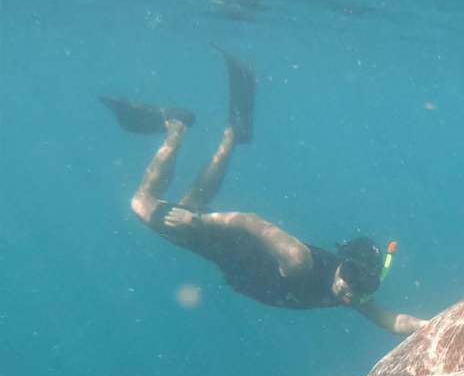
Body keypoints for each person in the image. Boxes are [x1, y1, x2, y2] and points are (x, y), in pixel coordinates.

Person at [102, 47, 428, 335]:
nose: (353, 292)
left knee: (195, 201)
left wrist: (438, 327)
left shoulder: (355, 292)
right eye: (353, 278)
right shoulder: (299, 259)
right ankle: (175, 128)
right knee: (142, 203)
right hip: (226, 243)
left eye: (365, 287)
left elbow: (393, 320)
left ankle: (233, 134)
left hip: (231, 259)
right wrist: (195, 223)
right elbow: (250, 221)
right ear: (342, 263)